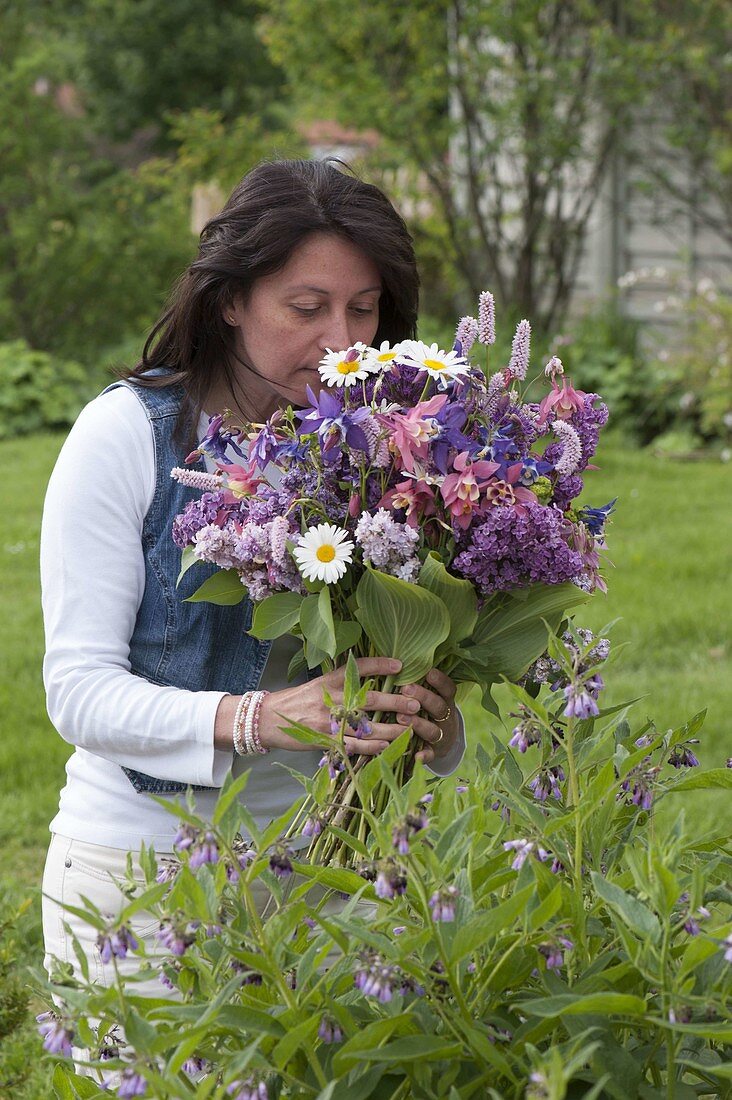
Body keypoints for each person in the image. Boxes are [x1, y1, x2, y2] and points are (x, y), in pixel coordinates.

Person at [40, 158, 466, 993]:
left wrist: (433, 724)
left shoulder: (395, 451)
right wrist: (261, 717)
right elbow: (78, 693)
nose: (342, 341)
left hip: (339, 883)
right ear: (230, 301)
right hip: (148, 881)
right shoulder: (127, 436)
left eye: (364, 309)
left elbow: (427, 716)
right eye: (306, 308)